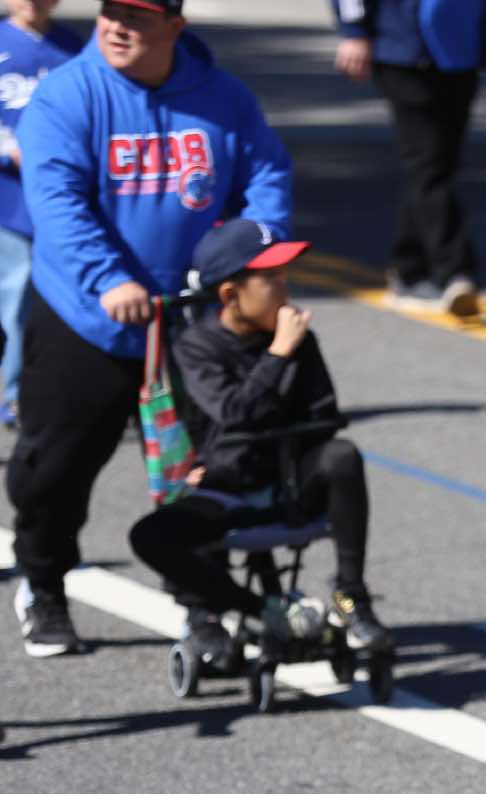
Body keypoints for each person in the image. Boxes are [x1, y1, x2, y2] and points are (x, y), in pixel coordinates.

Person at [7, 0, 291, 659]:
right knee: (55, 469)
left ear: (174, 27)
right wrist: (108, 279)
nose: (116, 27)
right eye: (110, 12)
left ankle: (200, 604)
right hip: (87, 316)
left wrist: (254, 251)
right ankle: (43, 583)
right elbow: (56, 200)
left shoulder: (222, 97)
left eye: (136, 17)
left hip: (191, 321)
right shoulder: (68, 95)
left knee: (202, 472)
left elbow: (267, 175)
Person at [127, 219, 389, 661]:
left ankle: (351, 595)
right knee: (150, 537)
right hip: (226, 485)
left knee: (342, 456)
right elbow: (234, 413)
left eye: (284, 275)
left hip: (290, 482)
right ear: (231, 294)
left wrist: (284, 356)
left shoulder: (300, 341)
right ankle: (242, 609)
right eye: (270, 279)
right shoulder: (197, 348)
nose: (284, 288)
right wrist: (277, 354)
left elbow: (323, 417)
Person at [332, 0, 486, 317]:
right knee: (429, 166)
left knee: (435, 167)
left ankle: (408, 269)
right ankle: (456, 272)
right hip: (403, 52)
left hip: (461, 52)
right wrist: (355, 31)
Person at [0, 0, 84, 428]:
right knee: (15, 297)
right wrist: (8, 148)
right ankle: (17, 393)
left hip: (61, 198)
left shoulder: (73, 47)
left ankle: (58, 386)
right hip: (9, 198)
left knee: (60, 297)